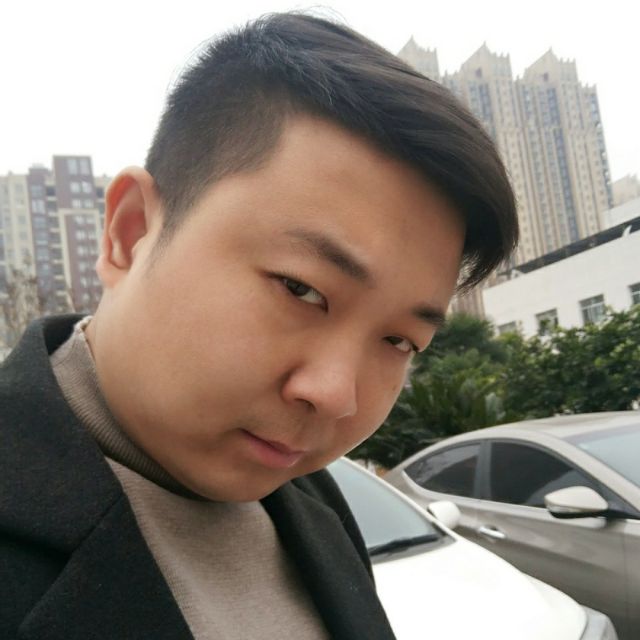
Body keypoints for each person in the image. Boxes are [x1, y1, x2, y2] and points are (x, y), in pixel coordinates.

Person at [0, 12, 518, 640]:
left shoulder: (314, 504)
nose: (335, 395)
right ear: (131, 233)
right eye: (301, 289)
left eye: (399, 340)